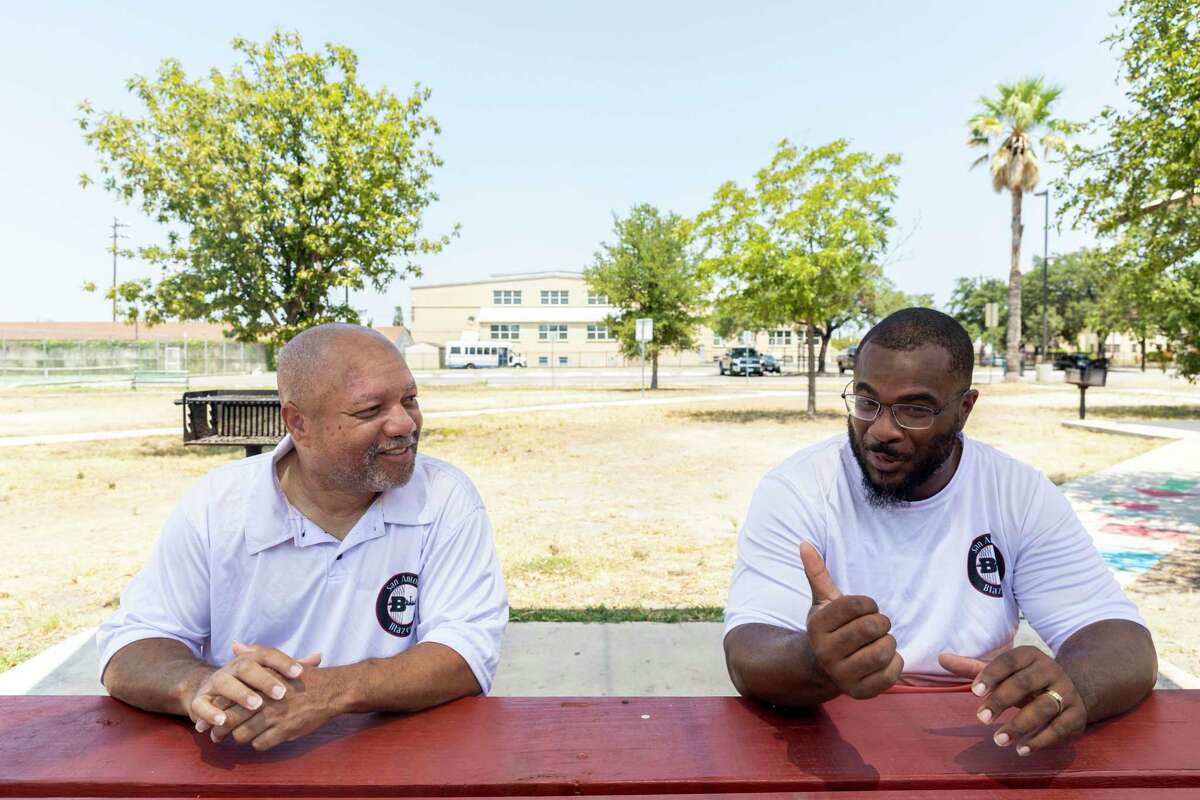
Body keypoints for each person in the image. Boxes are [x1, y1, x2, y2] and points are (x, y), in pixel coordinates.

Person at [723, 308, 1156, 757]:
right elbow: (748, 650)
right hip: (830, 731)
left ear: (964, 409)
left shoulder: (1016, 492)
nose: (881, 430)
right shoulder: (799, 488)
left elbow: (1123, 641)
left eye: (914, 409)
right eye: (867, 402)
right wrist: (817, 663)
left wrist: (1073, 686)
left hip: (979, 736)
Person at [98, 323, 507, 751]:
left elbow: (467, 653)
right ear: (299, 423)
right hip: (241, 764)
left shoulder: (443, 497)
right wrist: (201, 687)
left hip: (401, 761)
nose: (404, 424)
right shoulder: (218, 504)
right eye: (370, 410)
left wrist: (331, 692)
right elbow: (130, 648)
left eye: (410, 400)